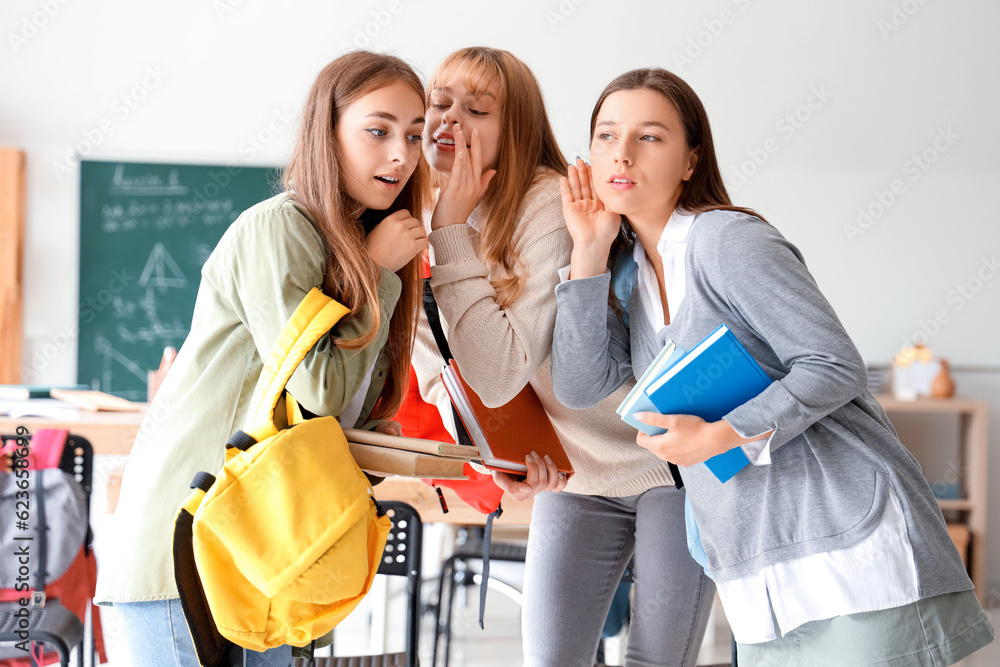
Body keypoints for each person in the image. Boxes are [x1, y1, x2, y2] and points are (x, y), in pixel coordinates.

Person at [550, 67, 995, 665]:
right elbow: (581, 387)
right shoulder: (625, 272)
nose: (622, 154)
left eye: (649, 137)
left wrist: (721, 434)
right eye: (606, 136)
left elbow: (833, 363)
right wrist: (587, 251)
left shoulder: (726, 241)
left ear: (690, 161)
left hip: (841, 534)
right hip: (754, 558)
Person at [94, 50, 430, 666]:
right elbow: (318, 388)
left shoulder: (353, 245)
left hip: (268, 555)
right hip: (193, 550)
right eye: (378, 130)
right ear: (327, 132)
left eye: (414, 135)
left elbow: (334, 412)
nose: (400, 155)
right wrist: (380, 274)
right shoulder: (281, 229)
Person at [411, 47, 714, 667]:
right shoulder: (420, 214)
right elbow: (441, 369)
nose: (449, 121)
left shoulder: (547, 202)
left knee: (656, 660)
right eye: (440, 104)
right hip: (574, 473)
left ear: (515, 126)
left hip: (664, 461)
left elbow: (498, 369)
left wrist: (451, 229)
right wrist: (501, 457)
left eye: (476, 109)